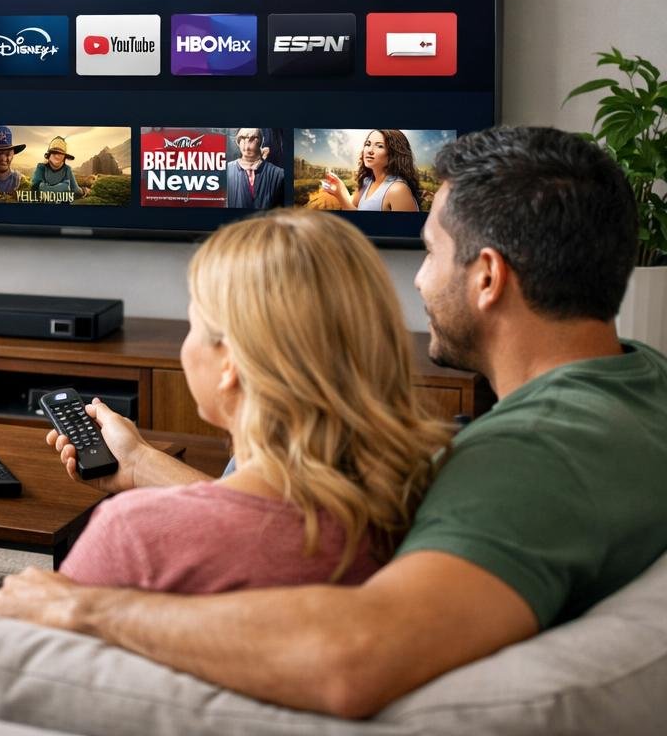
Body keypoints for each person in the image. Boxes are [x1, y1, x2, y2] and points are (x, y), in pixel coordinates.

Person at [0, 126, 667, 717]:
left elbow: (351, 655)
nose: (421, 281)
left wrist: (84, 606)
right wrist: (134, 466)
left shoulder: (519, 464)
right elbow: (279, 515)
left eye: (428, 252)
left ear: (487, 277)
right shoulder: (637, 387)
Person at [53, 210, 448, 595]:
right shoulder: (427, 498)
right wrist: (138, 460)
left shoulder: (132, 537)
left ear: (230, 364)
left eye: (194, 324)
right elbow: (250, 508)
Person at [319, 128, 423, 212]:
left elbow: (403, 235)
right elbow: (352, 207)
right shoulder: (367, 181)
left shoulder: (397, 190)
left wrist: (341, 196)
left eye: (380, 146)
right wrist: (339, 187)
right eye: (368, 144)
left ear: (394, 154)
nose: (370, 150)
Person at [225, 127, 286, 209]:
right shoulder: (226, 171)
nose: (247, 145)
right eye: (242, 138)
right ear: (237, 141)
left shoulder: (279, 174)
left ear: (261, 141)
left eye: (253, 138)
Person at [29, 136, 86, 201]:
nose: (57, 156)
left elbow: (75, 189)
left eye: (60, 153)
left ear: (64, 156)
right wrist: (64, 187)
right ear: (49, 155)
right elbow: (35, 187)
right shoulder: (41, 167)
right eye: (54, 152)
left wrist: (84, 191)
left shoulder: (67, 169)